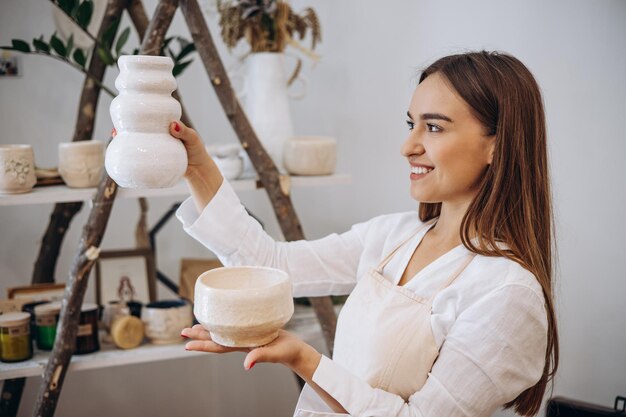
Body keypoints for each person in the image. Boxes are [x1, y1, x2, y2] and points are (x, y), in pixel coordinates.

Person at [170, 51, 558, 417]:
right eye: (411, 124)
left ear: (497, 144)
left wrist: (303, 360)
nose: (408, 146)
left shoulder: (508, 293)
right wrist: (197, 168)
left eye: (434, 127)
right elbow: (269, 266)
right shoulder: (392, 235)